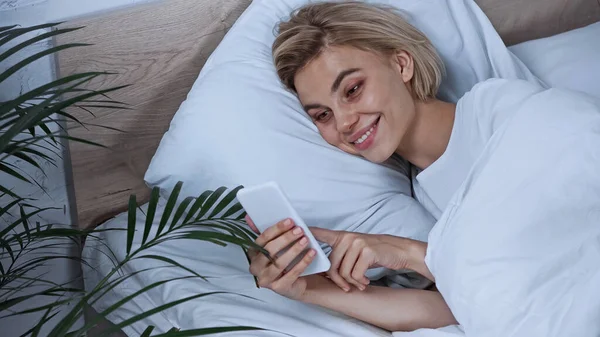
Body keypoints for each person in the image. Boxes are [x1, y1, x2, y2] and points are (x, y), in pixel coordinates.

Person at [247, 1, 528, 332]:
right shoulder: (425, 197)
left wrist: (410, 253)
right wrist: (309, 288)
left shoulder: (499, 110)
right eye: (323, 115)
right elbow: (463, 308)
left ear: (401, 64)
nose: (345, 122)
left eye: (352, 90)